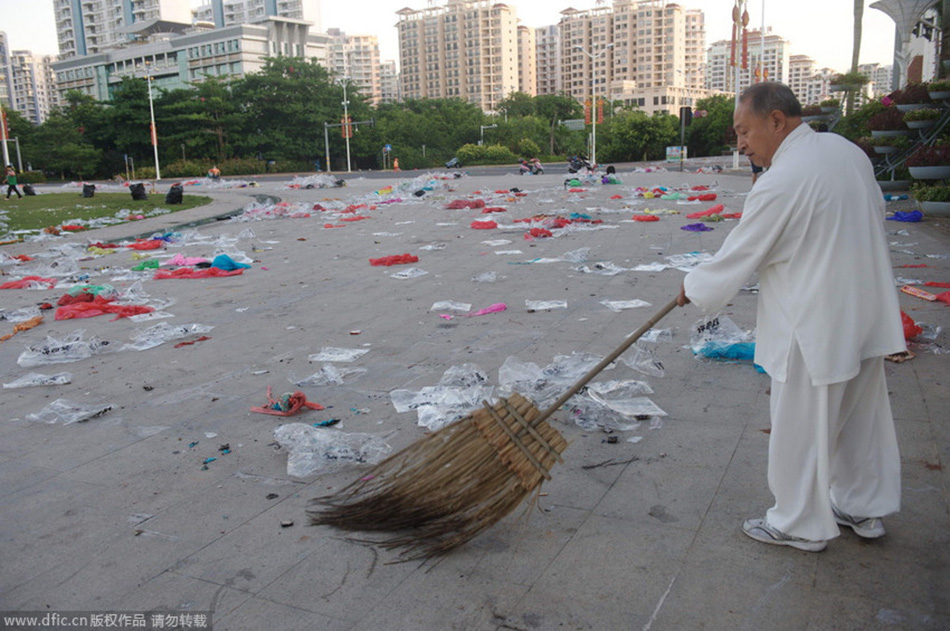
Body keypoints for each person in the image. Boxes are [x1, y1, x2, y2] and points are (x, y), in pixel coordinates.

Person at [677, 82, 904, 552]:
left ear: (776, 120)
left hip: (813, 322)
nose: (741, 143)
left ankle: (799, 523)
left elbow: (741, 252)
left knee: (801, 425)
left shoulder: (783, 179)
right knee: (860, 420)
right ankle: (860, 506)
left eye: (744, 131)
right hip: (866, 310)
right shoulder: (846, 152)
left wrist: (693, 286)